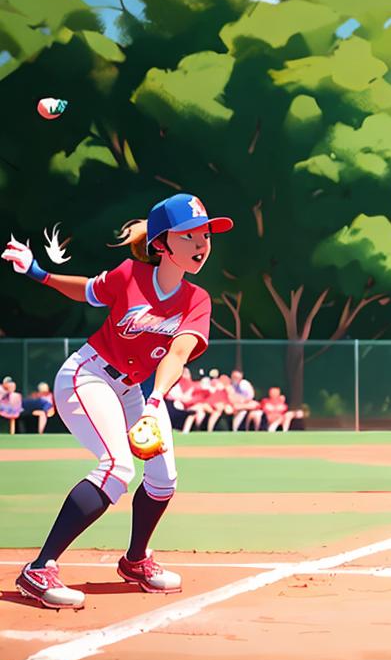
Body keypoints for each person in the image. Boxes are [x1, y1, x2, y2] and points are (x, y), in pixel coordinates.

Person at [2, 192, 231, 608]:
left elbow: (178, 352)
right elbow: (87, 290)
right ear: (162, 243)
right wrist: (38, 273)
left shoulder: (197, 299)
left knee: (163, 479)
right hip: (86, 377)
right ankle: (39, 569)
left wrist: (155, 400)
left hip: (136, 390)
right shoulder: (130, 276)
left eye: (206, 235)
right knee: (117, 467)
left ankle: (136, 560)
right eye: (190, 235)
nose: (202, 243)